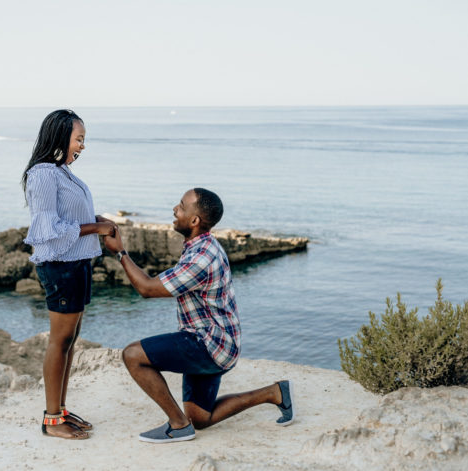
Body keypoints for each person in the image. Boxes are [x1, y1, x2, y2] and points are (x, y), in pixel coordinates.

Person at [103, 188, 295, 443]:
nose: (174, 209)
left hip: (209, 344)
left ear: (195, 221)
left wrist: (120, 252)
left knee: (133, 355)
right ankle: (274, 393)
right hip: (217, 340)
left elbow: (147, 289)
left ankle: (178, 425)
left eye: (181, 206)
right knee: (201, 418)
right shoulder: (201, 245)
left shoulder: (202, 257)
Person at [22, 109, 116, 440]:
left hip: (77, 263)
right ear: (61, 137)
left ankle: (60, 410)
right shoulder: (43, 174)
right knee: (60, 341)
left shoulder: (63, 172)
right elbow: (47, 228)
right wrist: (97, 227)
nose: (83, 146)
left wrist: (98, 220)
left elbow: (70, 216)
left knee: (71, 340)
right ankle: (51, 419)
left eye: (84, 140)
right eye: (80, 139)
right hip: (60, 267)